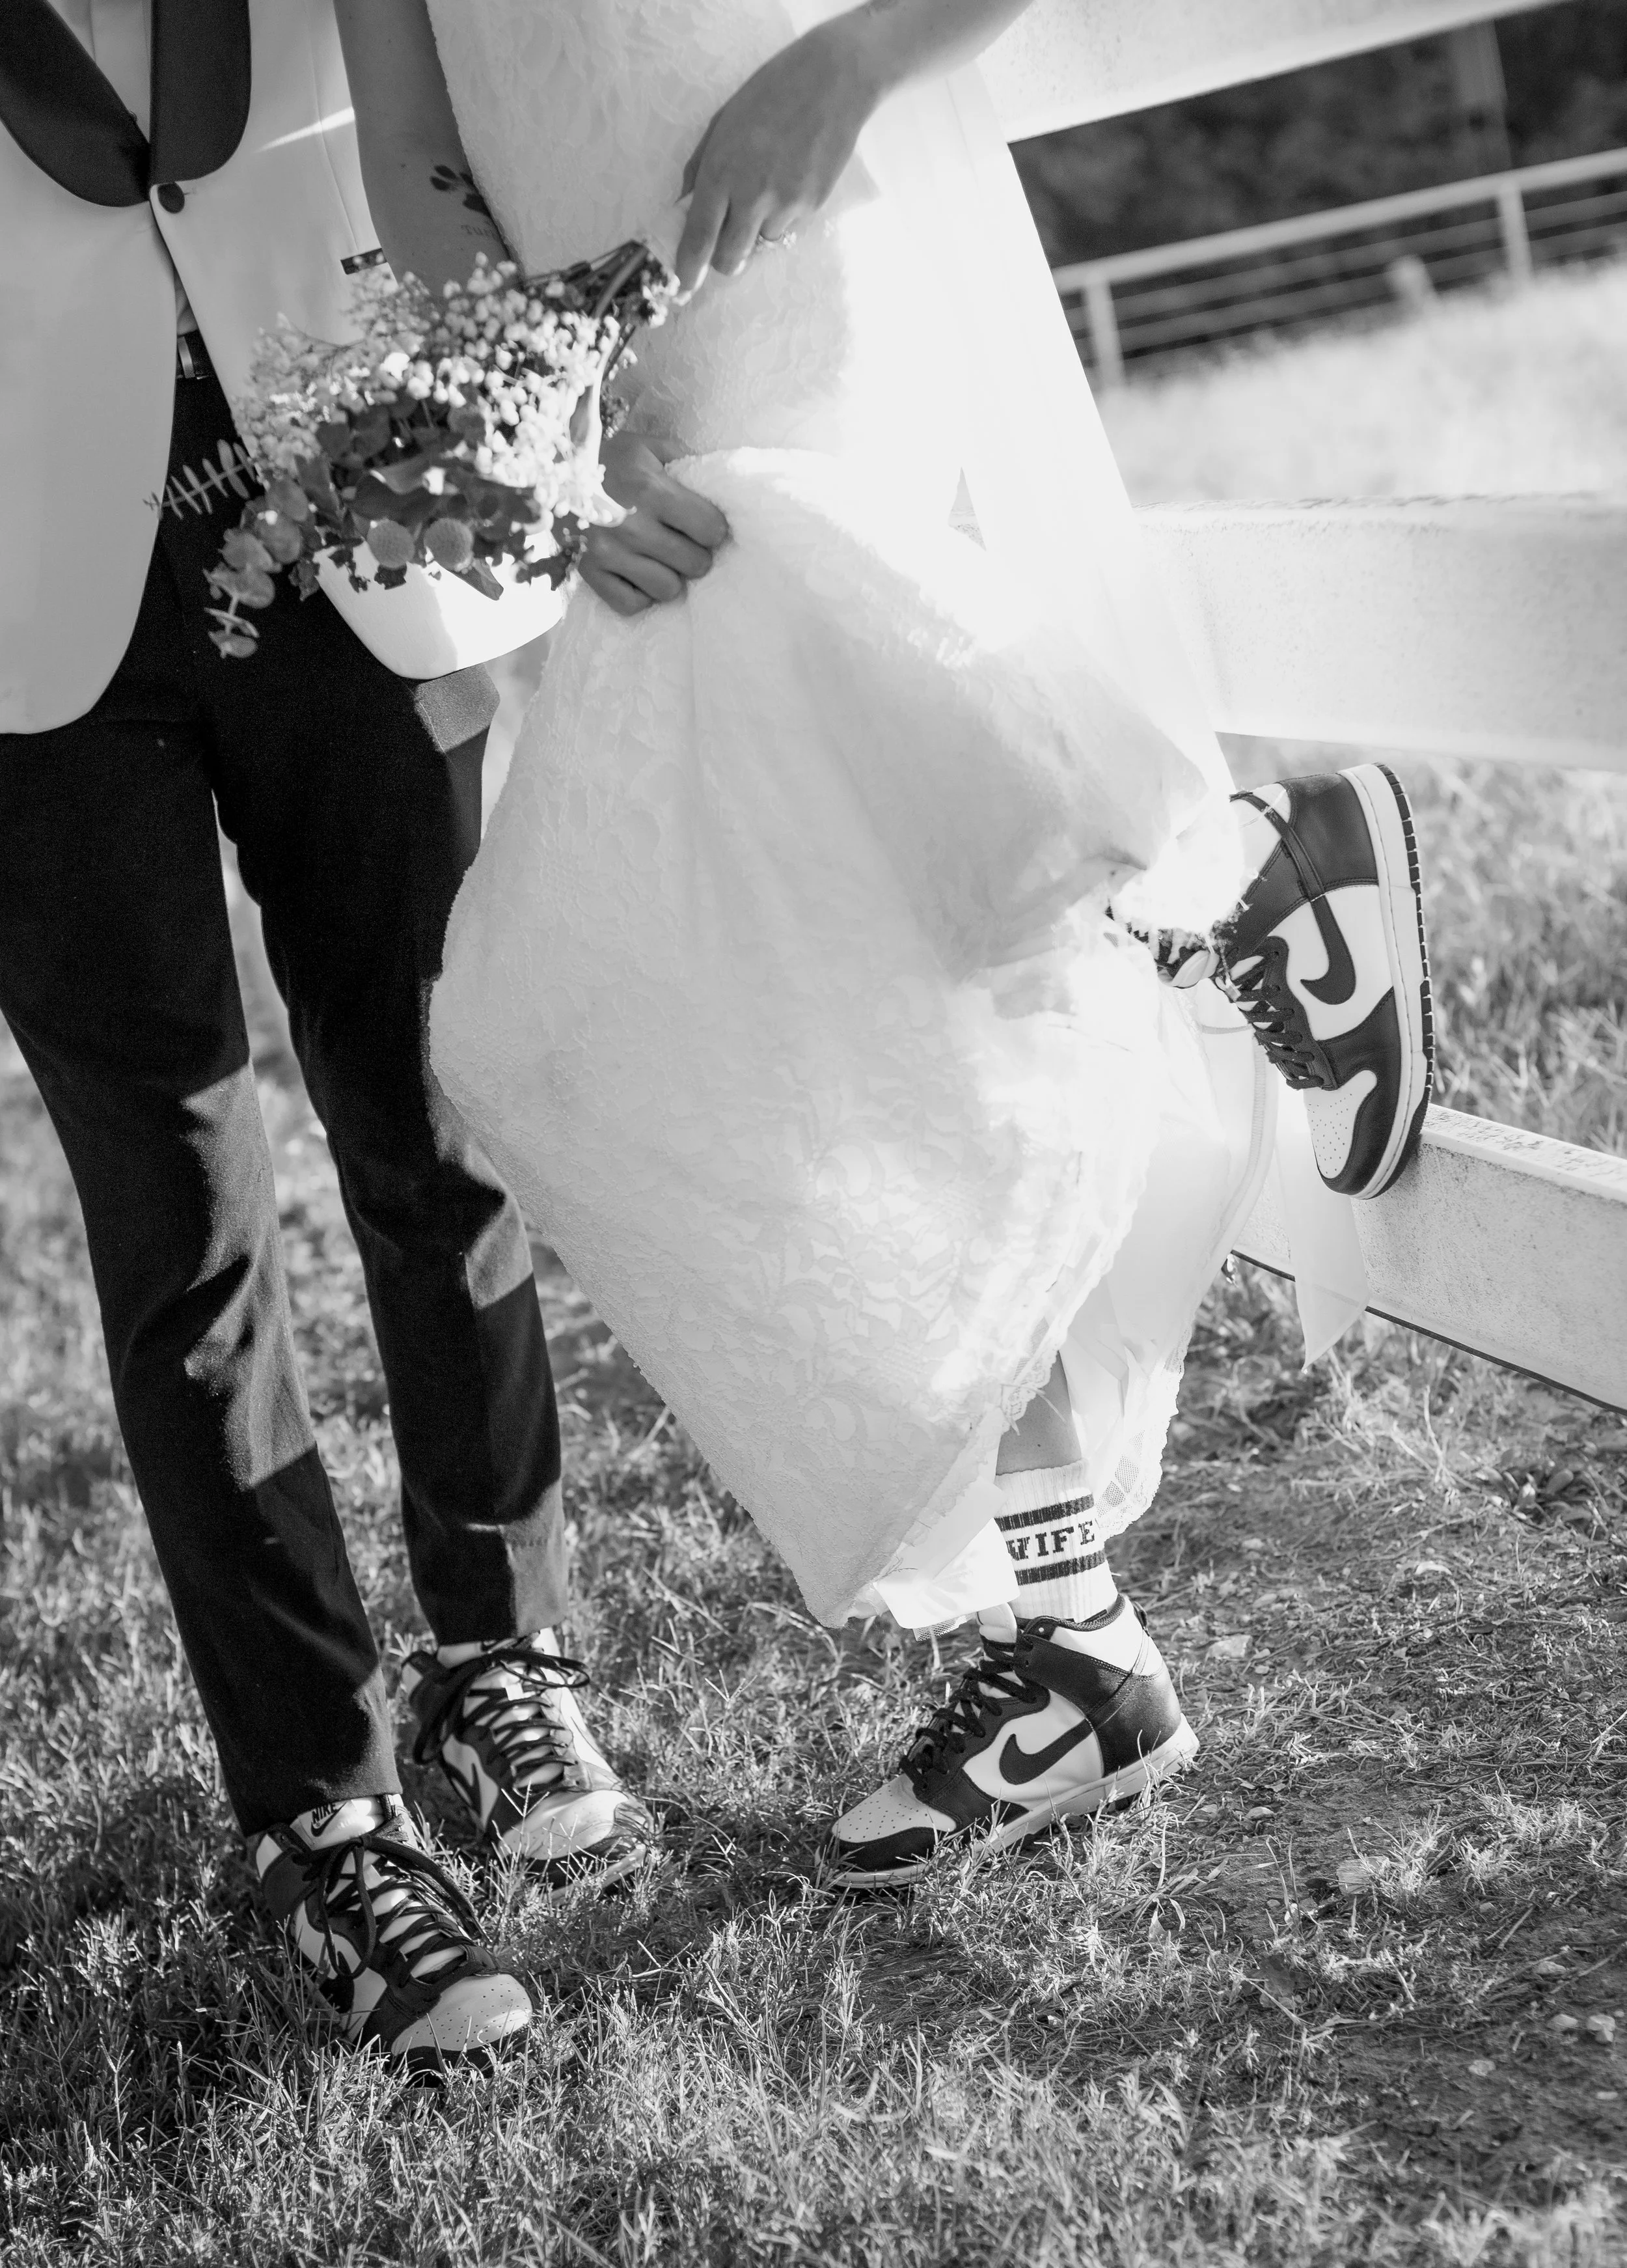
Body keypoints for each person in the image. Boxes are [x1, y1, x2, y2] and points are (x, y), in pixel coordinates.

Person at [326, 0, 1434, 1892]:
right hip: (609, 373)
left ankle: (1220, 880)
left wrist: (845, 68)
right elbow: (414, 146)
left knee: (877, 954)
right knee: (747, 995)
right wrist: (539, 434)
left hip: (805, 235)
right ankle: (1232, 885)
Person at [0, 0, 658, 2073]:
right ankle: (326, 1821)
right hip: (21, 621)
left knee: (435, 1115)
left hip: (360, 518)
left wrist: (539, 419)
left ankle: (501, 1649)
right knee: (177, 1215)